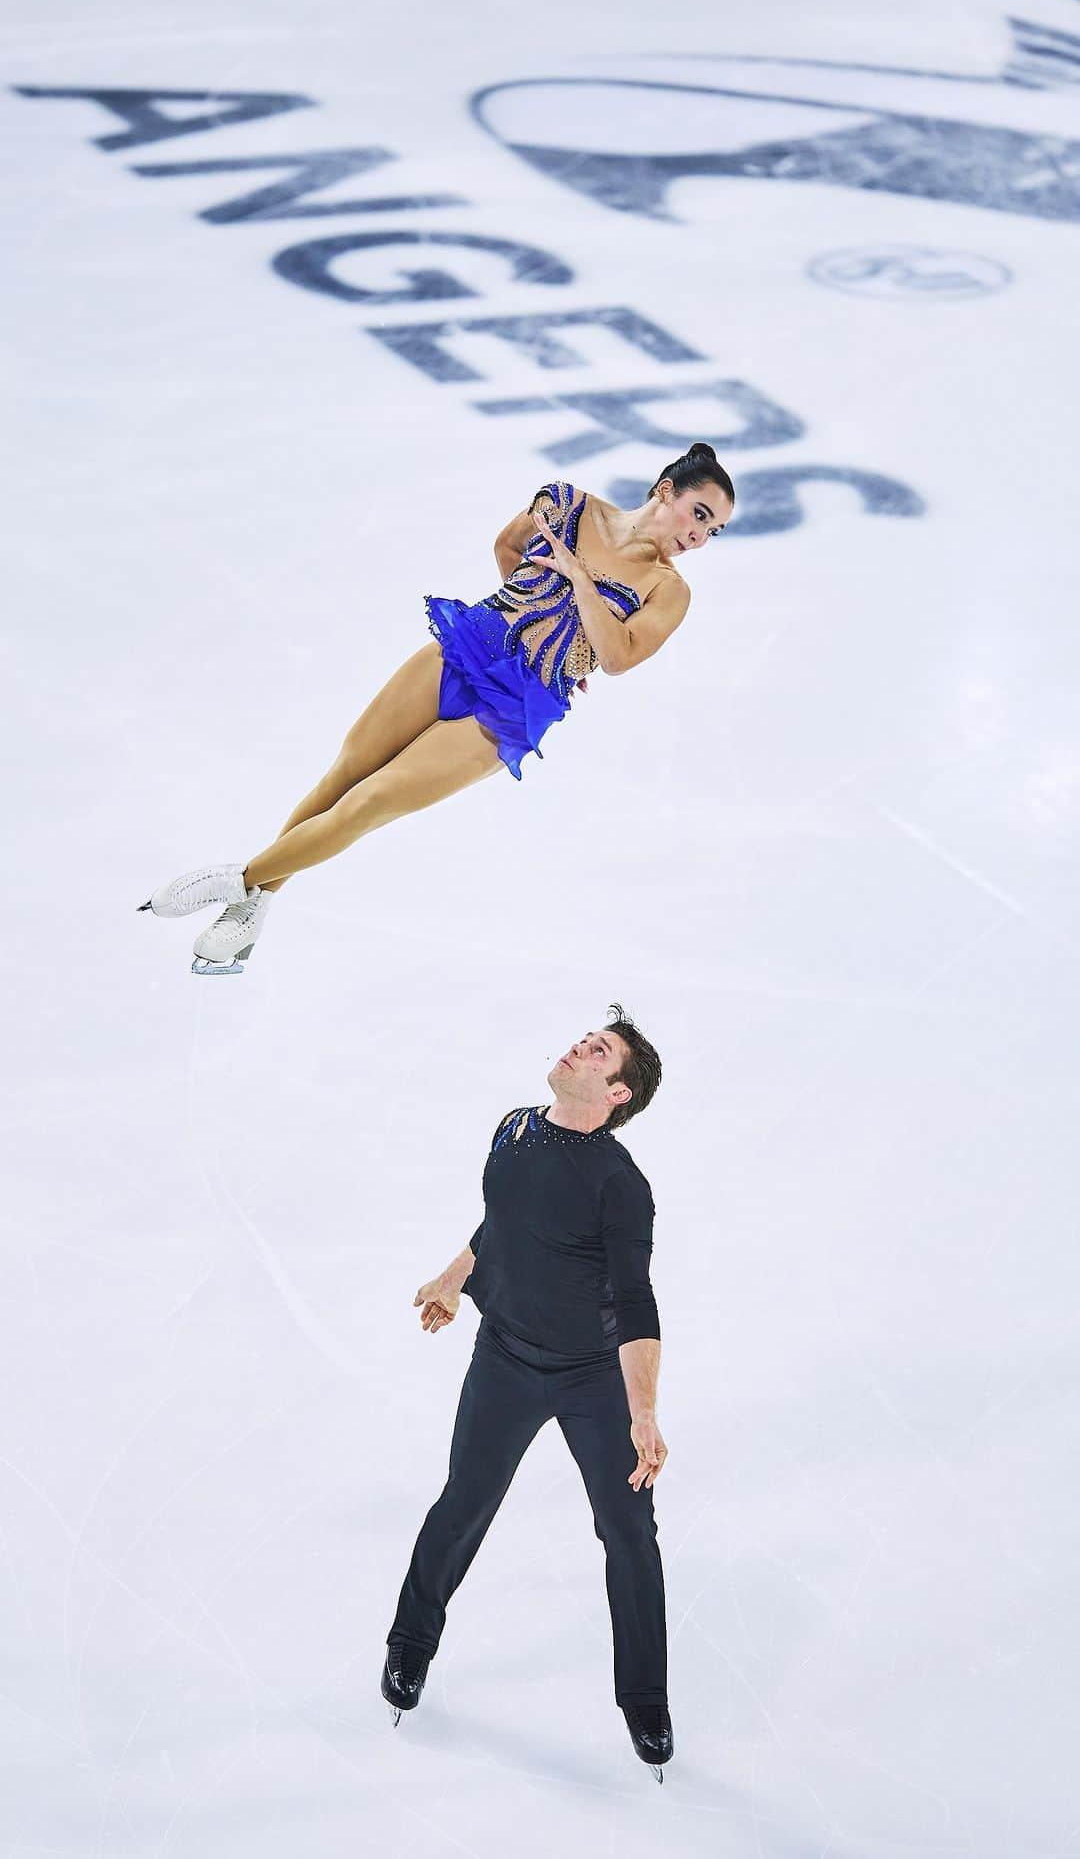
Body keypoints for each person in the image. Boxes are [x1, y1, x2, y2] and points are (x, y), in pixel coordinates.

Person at [138, 443, 735, 970]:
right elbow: (508, 545)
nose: (701, 535)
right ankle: (257, 905)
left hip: (513, 704)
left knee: (370, 802)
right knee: (346, 774)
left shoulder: (668, 589)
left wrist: (577, 589)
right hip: (470, 642)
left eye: (715, 530)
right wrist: (534, 610)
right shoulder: (567, 503)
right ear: (666, 491)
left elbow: (620, 656)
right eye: (701, 514)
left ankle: (236, 881)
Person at [380, 1006, 675, 1780]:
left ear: (616, 1093)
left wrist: (642, 1408)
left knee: (630, 1533)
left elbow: (637, 1299)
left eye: (599, 1050)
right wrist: (455, 1275)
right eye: (587, 1036)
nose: (581, 1044)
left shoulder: (621, 1186)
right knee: (464, 1503)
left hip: (592, 1378)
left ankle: (645, 1698)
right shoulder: (514, 1128)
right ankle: (409, 1645)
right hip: (505, 1357)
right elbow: (501, 1224)